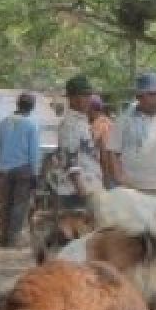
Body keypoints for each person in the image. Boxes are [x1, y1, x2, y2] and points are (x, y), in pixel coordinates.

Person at [0, 92, 43, 249]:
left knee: (6, 204)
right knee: (20, 204)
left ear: (17, 104)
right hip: (24, 169)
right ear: (32, 107)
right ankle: (14, 238)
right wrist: (35, 173)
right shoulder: (31, 125)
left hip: (5, 170)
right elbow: (34, 152)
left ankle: (3, 238)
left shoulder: (4, 123)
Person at [51, 75, 104, 210]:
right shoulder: (70, 124)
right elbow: (70, 159)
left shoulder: (82, 121)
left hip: (89, 187)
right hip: (75, 191)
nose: (88, 99)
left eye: (89, 95)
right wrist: (81, 189)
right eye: (84, 95)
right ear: (72, 98)